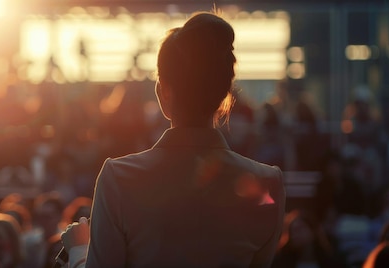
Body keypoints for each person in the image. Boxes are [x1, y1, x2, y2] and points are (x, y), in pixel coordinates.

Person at [60, 11, 286, 268]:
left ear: (163, 91)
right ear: (225, 93)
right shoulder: (268, 183)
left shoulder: (119, 178)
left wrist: (79, 251)